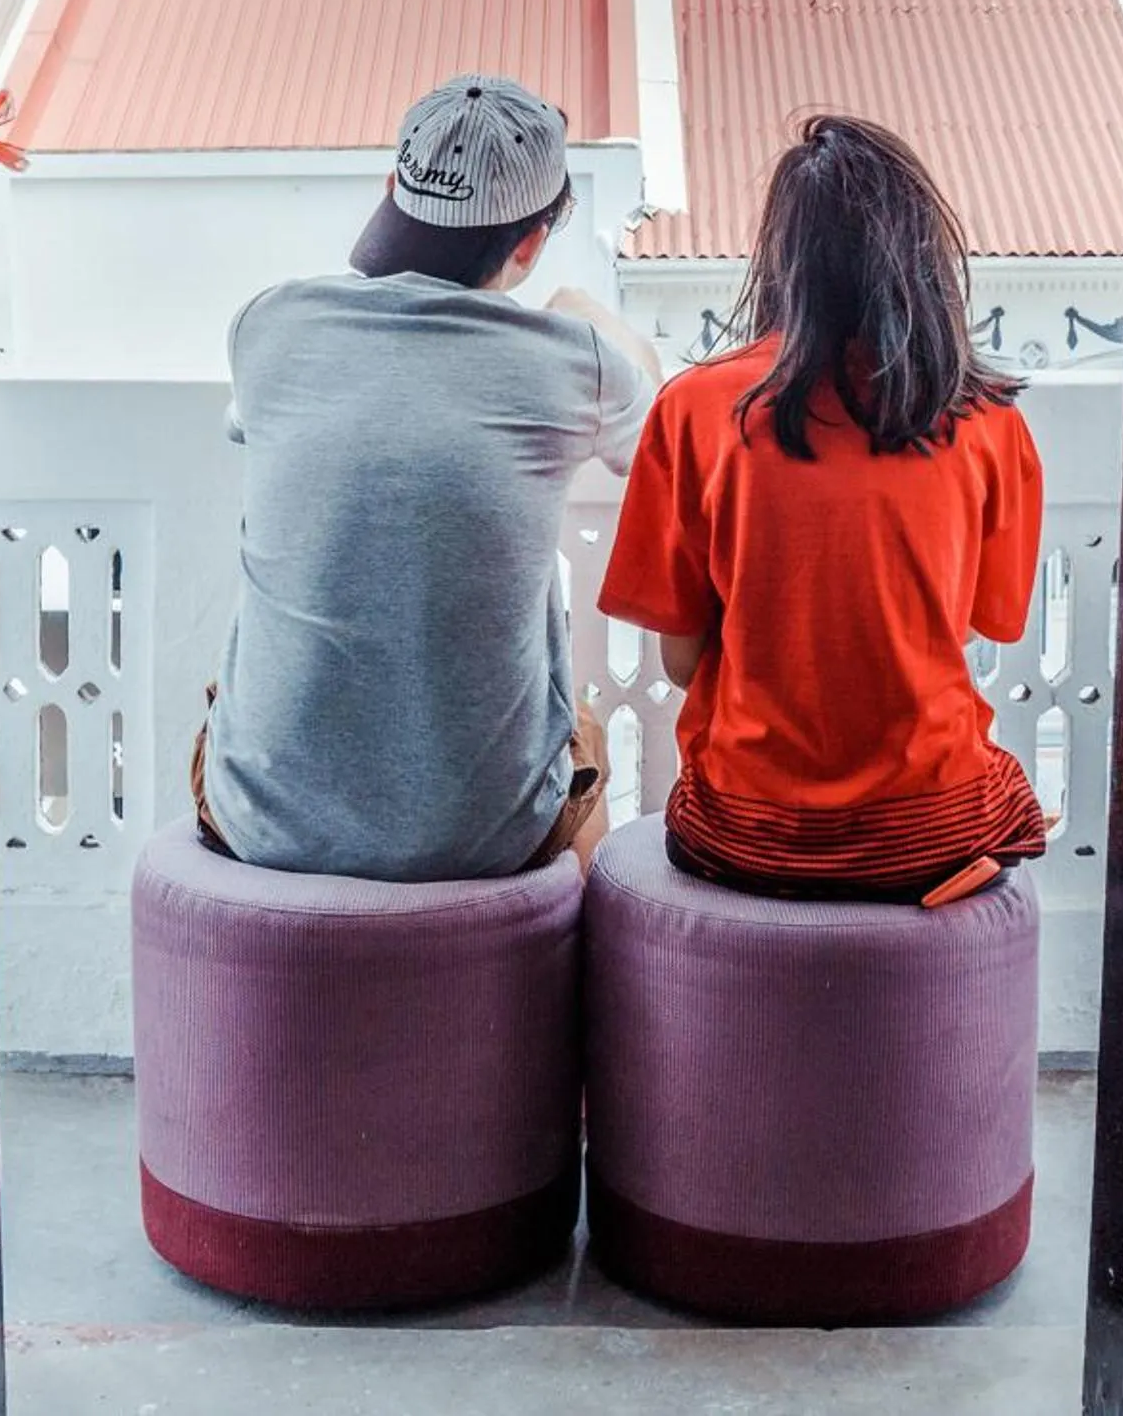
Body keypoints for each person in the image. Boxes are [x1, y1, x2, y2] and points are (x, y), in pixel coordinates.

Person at [194, 72, 661, 882]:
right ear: (531, 240)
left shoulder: (269, 325)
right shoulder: (569, 361)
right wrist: (585, 313)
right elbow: (660, 436)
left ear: (391, 188)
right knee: (582, 745)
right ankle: (561, 986)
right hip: (487, 837)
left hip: (261, 823)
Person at [597, 115, 1048, 903]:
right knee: (997, 787)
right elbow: (980, 626)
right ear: (921, 258)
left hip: (743, 830)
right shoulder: (987, 419)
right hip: (932, 830)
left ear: (782, 259)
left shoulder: (696, 409)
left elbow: (678, 663)